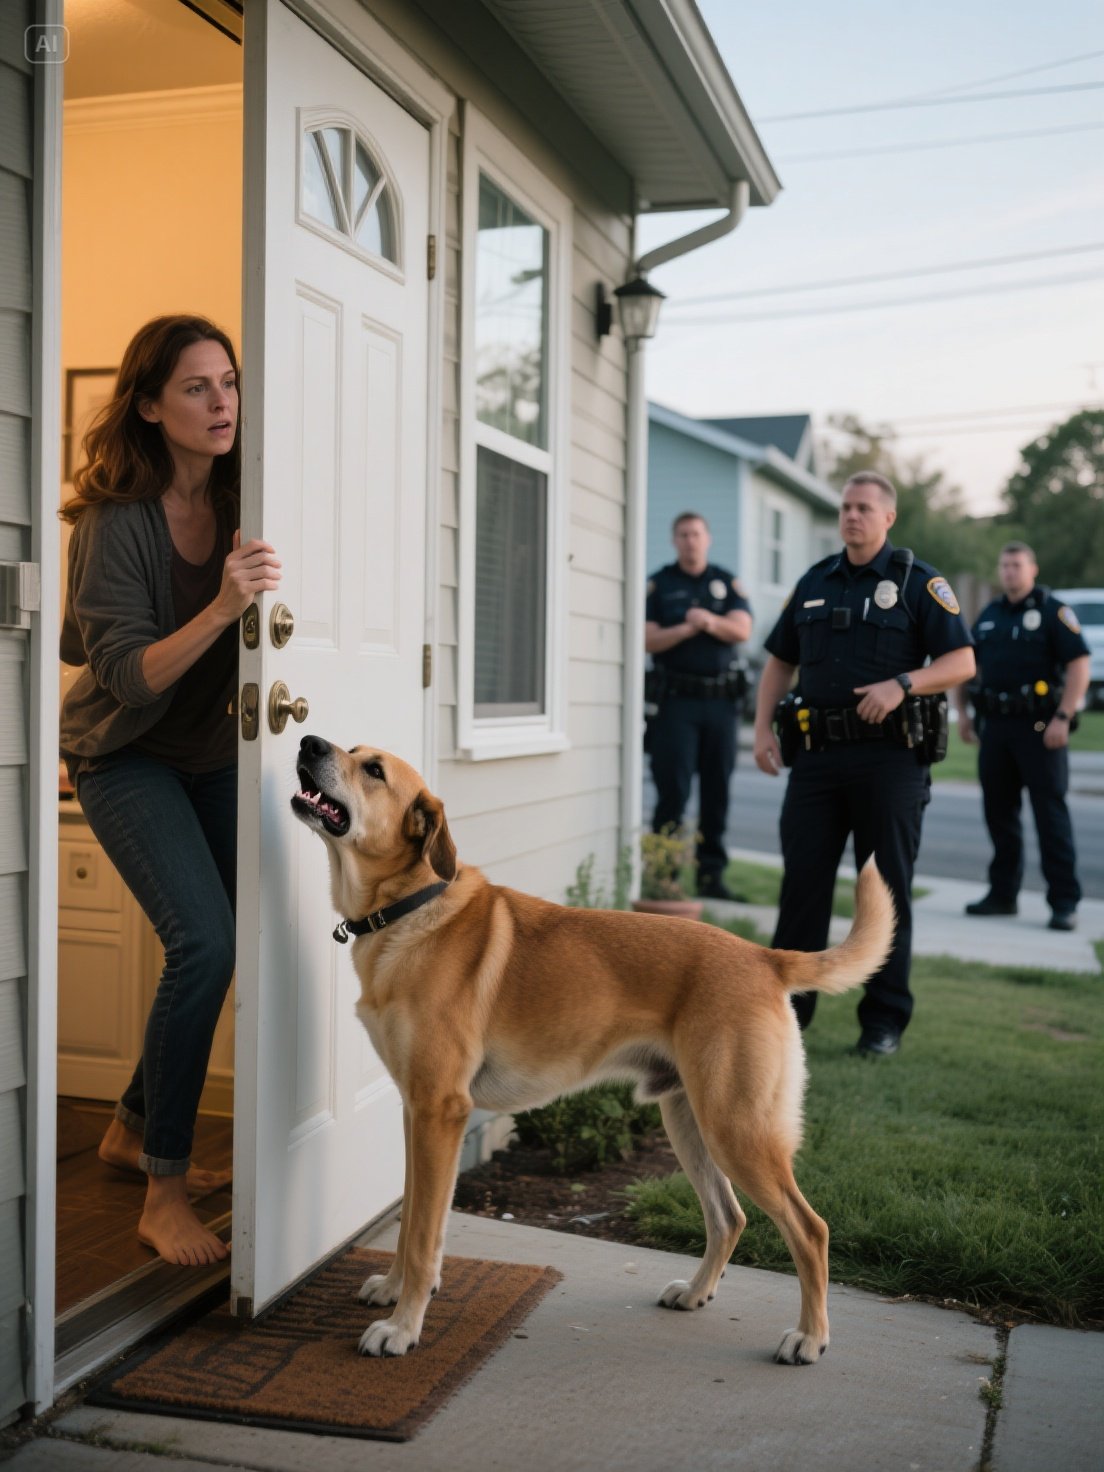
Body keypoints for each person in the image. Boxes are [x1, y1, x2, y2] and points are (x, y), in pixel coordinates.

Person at [60, 315, 282, 1266]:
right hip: (126, 753)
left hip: (219, 749)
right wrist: (227, 605)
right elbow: (125, 677)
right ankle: (162, 1188)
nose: (221, 401)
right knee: (206, 942)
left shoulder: (246, 491)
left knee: (243, 939)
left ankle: (130, 1126)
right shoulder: (118, 521)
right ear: (150, 406)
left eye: (227, 381)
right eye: (197, 387)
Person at [752, 472, 975, 1056]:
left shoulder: (915, 582)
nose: (852, 516)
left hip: (889, 762)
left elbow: (961, 660)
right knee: (803, 889)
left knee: (885, 891)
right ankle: (788, 1019)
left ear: (888, 518)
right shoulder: (814, 581)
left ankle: (882, 1024)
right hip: (817, 763)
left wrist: (904, 683)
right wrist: (759, 728)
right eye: (846, 507)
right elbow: (779, 661)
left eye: (864, 508)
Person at [955, 542, 1090, 931]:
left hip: (1039, 726)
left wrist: (1063, 716)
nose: (1010, 571)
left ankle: (1064, 903)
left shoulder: (1052, 611)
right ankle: (1003, 895)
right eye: (1005, 565)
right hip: (995, 727)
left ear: (1033, 569)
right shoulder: (990, 614)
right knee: (1000, 816)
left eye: (1017, 565)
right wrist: (962, 712)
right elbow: (968, 664)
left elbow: (1079, 664)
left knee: (1050, 815)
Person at [645, 512, 752, 899]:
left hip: (720, 704)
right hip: (676, 705)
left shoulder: (725, 581)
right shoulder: (661, 584)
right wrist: (687, 628)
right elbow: (648, 638)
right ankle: (664, 875)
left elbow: (742, 629)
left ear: (708, 538)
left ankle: (711, 877)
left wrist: (706, 621)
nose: (690, 540)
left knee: (716, 792)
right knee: (672, 791)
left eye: (696, 534)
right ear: (675, 540)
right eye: (683, 534)